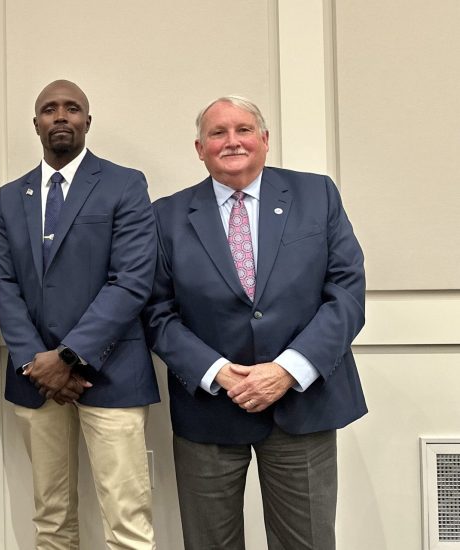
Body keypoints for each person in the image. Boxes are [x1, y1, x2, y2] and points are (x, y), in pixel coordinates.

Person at [143, 96, 367, 549]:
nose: (232, 142)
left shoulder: (316, 194)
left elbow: (346, 293)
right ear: (199, 148)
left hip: (302, 404)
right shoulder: (166, 215)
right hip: (209, 408)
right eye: (217, 133)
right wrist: (218, 373)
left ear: (264, 140)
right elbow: (156, 311)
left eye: (243, 130)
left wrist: (287, 370)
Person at [0, 80, 159, 549]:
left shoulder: (125, 183)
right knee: (51, 519)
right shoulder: (9, 197)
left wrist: (68, 357)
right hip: (35, 377)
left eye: (72, 108)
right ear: (36, 123)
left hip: (112, 372)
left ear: (87, 121)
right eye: (49, 109)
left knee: (127, 521)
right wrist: (36, 361)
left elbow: (132, 281)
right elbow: (1, 283)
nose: (60, 116)